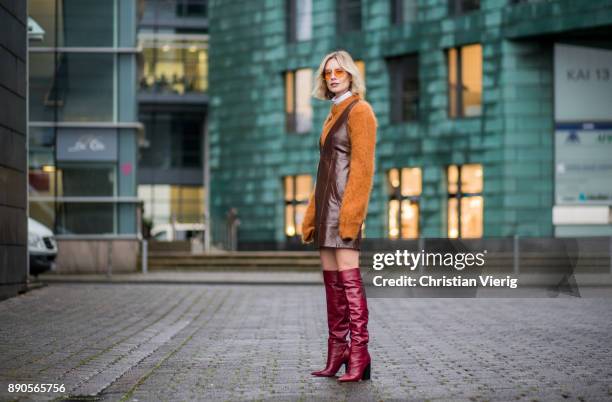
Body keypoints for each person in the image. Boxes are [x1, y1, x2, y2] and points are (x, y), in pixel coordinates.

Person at [301, 50, 377, 382]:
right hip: (326, 209)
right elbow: (324, 171)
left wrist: (352, 215)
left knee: (349, 284)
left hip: (344, 209)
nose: (332, 77)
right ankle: (337, 352)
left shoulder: (360, 111)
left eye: (339, 72)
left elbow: (362, 170)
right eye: (327, 73)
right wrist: (311, 214)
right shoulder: (334, 112)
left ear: (350, 76)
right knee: (333, 288)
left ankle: (359, 354)